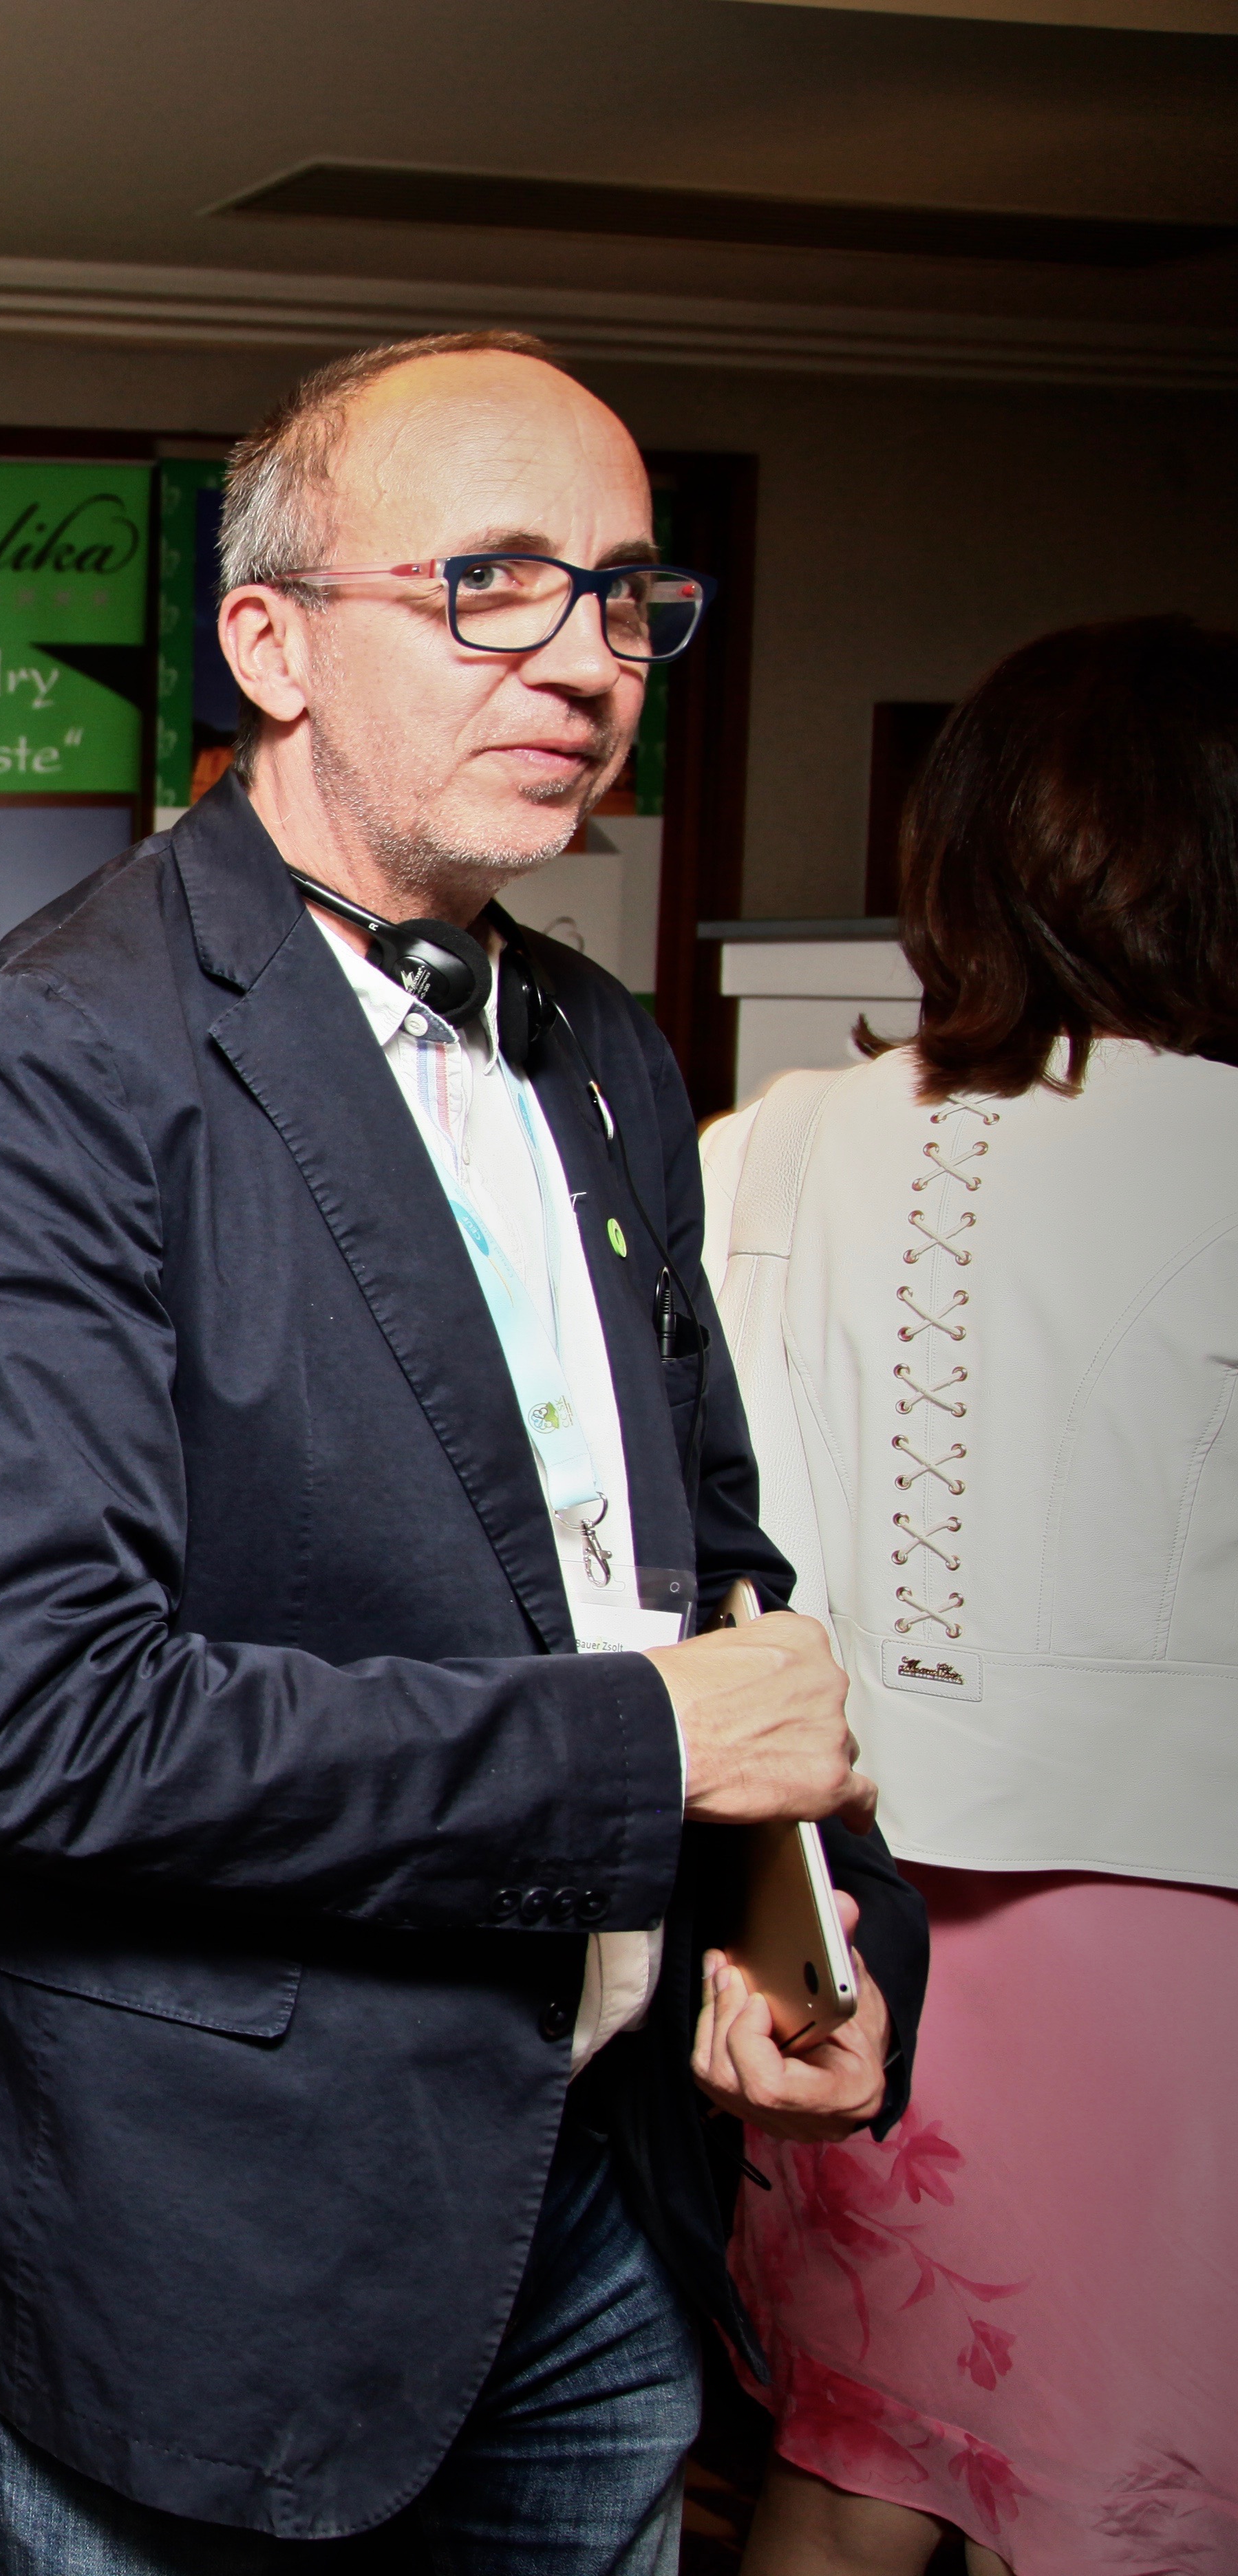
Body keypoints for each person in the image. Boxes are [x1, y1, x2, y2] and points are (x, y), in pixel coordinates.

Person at [0, 330, 929, 2576]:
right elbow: (53, 1728)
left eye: (623, 595)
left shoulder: (608, 1049)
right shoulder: (52, 1051)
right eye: (490, 584)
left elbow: (694, 1561)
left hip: (598, 2198)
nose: (586, 660)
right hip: (211, 2235)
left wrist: (814, 1924)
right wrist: (652, 1753)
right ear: (270, 645)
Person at [704, 616, 1238, 2576]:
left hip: (840, 1913)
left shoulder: (769, 1144)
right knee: (1132, 2515)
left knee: (849, 2472)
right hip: (1181, 1945)